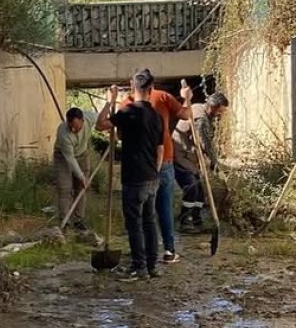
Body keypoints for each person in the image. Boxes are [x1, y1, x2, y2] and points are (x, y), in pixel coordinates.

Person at [96, 70, 165, 280]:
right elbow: (160, 149)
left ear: (132, 87)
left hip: (134, 178)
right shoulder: (156, 115)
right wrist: (155, 171)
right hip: (152, 176)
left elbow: (100, 125)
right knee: (150, 221)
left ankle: (139, 267)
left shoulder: (128, 112)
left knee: (134, 223)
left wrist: (110, 101)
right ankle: (152, 266)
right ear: (151, 89)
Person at [119, 75, 192, 264]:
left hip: (138, 167)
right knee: (163, 207)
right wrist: (187, 98)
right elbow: (186, 115)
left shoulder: (126, 104)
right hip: (164, 159)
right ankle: (168, 250)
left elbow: (119, 134)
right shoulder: (163, 97)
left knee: (140, 213)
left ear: (131, 85)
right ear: (151, 87)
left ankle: (142, 255)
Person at [174, 84, 230, 231]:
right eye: (220, 111)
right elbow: (204, 143)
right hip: (181, 157)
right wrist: (214, 163)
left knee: (199, 192)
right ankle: (184, 222)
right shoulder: (201, 119)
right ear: (213, 107)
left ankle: (197, 221)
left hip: (189, 157)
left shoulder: (199, 108)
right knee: (192, 188)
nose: (220, 115)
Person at [54, 107, 93, 230]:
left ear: (83, 121)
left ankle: (78, 220)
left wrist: (109, 126)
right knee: (65, 189)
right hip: (63, 157)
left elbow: (103, 119)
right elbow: (70, 159)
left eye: (76, 126)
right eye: (71, 126)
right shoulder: (63, 133)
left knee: (81, 189)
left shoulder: (90, 117)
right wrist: (81, 176)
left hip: (82, 154)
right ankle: (65, 222)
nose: (73, 129)